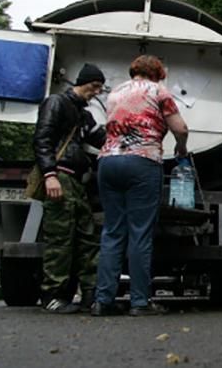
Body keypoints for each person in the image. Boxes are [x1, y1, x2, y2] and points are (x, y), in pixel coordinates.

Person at [91, 55, 189, 316]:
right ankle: (139, 302)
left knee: (112, 232)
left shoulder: (115, 92)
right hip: (142, 162)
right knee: (140, 233)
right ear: (157, 73)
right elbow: (180, 128)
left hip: (108, 162)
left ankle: (103, 300)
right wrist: (181, 148)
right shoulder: (158, 91)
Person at [34, 63, 107, 313]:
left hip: (77, 181)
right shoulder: (56, 103)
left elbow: (103, 140)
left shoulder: (83, 115)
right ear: (82, 82)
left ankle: (90, 293)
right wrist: (49, 175)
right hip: (60, 177)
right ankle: (52, 296)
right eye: (94, 86)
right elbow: (42, 139)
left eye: (100, 88)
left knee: (86, 237)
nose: (96, 92)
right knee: (60, 238)